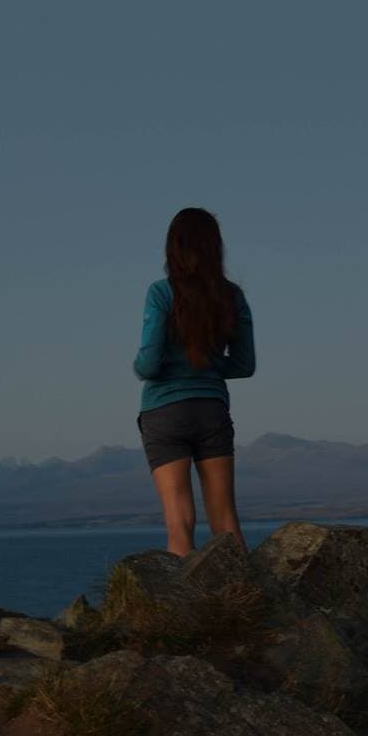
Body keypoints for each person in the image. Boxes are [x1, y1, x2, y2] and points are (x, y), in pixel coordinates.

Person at [132, 207, 256, 555]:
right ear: (215, 247)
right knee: (226, 521)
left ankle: (186, 609)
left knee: (179, 523)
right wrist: (209, 368)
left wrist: (141, 367)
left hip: (164, 412)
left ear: (174, 247)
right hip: (211, 410)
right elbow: (245, 365)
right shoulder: (232, 296)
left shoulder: (161, 293)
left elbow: (149, 363)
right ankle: (244, 603)